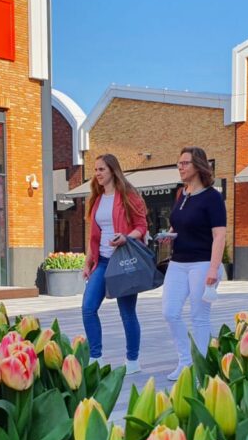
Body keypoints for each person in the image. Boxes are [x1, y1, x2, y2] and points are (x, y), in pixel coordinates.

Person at [161, 147, 227, 381]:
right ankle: (185, 361)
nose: (180, 167)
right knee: (170, 312)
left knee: (199, 317)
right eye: (178, 163)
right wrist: (170, 233)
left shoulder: (212, 197)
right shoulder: (182, 194)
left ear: (198, 166)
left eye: (185, 163)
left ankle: (200, 368)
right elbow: (180, 224)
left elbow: (219, 235)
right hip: (178, 263)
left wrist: (213, 268)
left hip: (202, 263)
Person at [82, 153, 148, 374]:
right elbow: (94, 236)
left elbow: (142, 227)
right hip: (102, 262)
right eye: (96, 170)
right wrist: (88, 262)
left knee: (127, 313)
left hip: (123, 262)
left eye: (101, 169)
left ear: (113, 170)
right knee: (88, 308)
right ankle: (96, 358)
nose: (97, 173)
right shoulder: (97, 199)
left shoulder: (129, 196)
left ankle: (132, 361)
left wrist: (126, 237)